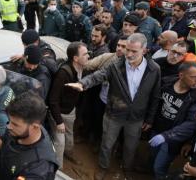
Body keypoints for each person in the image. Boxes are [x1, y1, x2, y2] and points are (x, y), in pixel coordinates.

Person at [66, 33, 161, 180]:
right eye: (127, 49)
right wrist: (83, 83)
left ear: (145, 50)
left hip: (136, 118)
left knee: (130, 147)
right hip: (114, 114)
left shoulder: (154, 69)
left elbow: (155, 96)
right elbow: (98, 75)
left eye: (133, 51)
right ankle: (103, 168)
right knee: (107, 144)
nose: (128, 54)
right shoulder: (116, 65)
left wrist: (149, 118)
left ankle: (127, 169)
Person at [0, 90, 59, 180]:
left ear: (35, 127)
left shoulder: (37, 169)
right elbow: (4, 139)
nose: (8, 126)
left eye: (15, 124)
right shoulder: (20, 130)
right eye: (10, 121)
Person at [149, 62, 196, 179]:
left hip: (173, 140)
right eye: (193, 77)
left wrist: (167, 136)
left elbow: (192, 124)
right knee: (153, 156)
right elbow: (154, 103)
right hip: (156, 130)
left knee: (159, 167)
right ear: (181, 75)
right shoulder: (166, 83)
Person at [49, 42, 89, 167]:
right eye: (85, 54)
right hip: (58, 113)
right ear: (75, 58)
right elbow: (52, 100)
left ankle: (69, 154)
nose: (88, 56)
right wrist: (59, 121)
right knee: (59, 142)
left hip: (71, 110)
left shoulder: (83, 67)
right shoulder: (63, 74)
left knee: (69, 136)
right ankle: (59, 169)